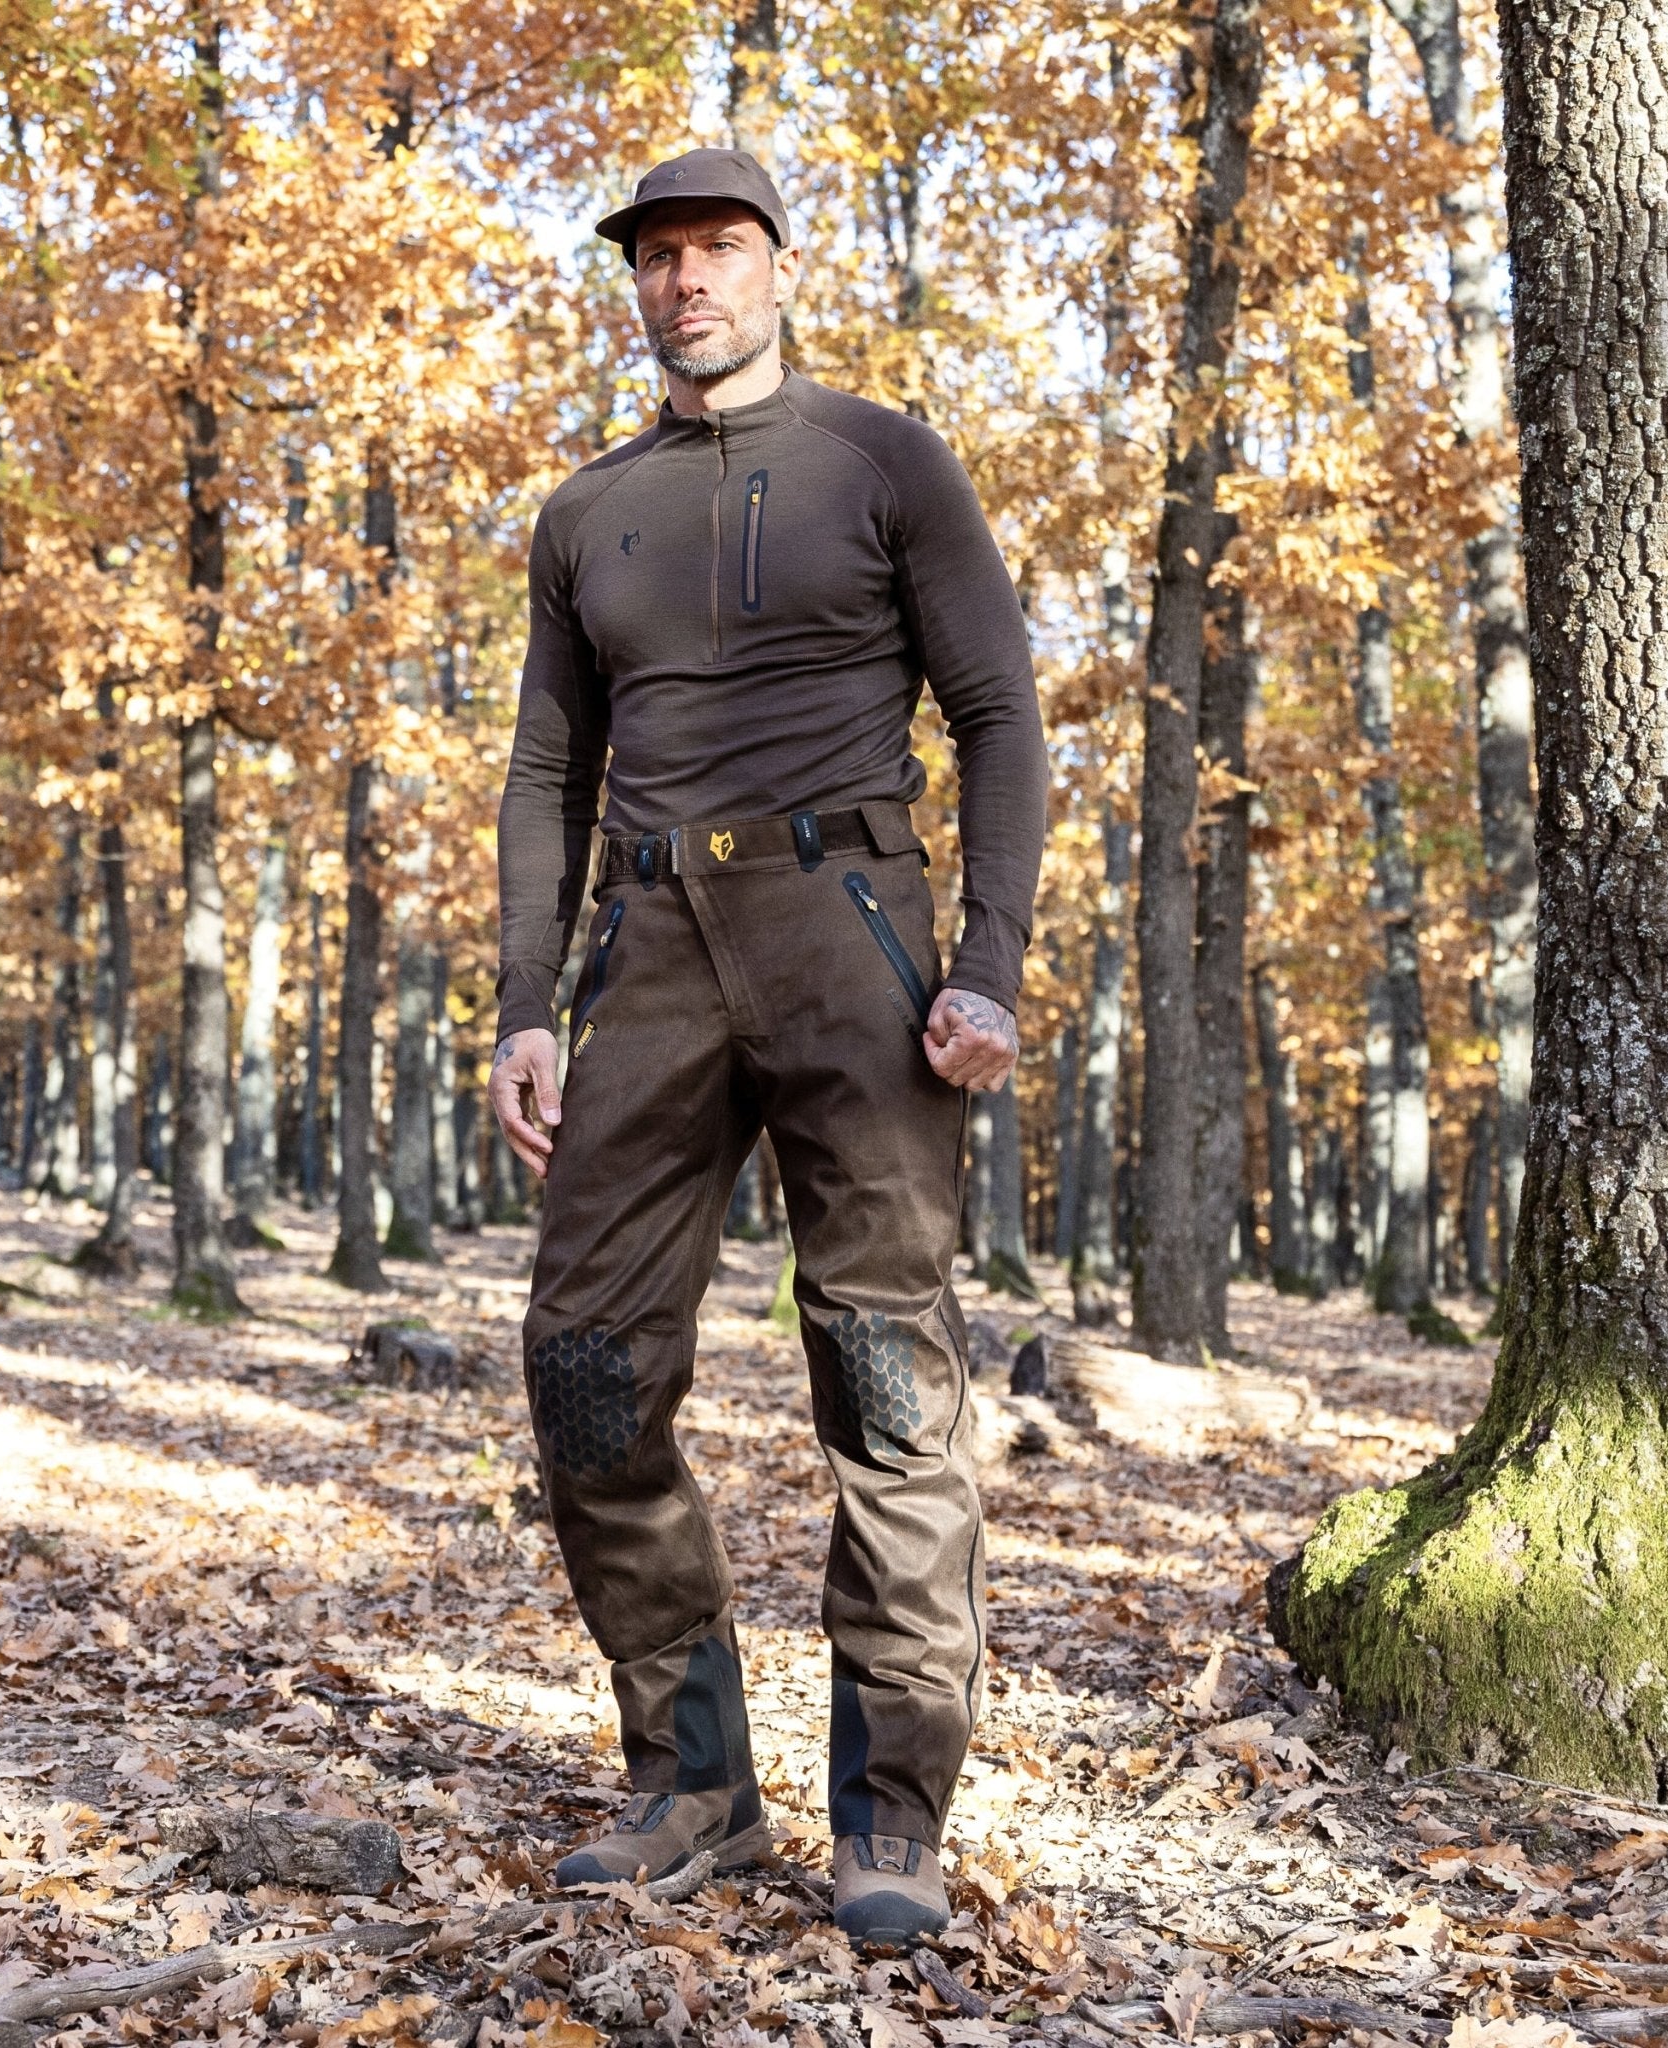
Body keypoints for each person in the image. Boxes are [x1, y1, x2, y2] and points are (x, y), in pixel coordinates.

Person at [488, 146, 1047, 1944]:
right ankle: (692, 1778)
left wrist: (987, 966)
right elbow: (545, 774)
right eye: (656, 258)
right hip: (645, 954)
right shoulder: (586, 514)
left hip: (851, 938)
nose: (685, 283)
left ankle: (892, 1811)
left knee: (885, 1382)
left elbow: (997, 715)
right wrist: (521, 1000)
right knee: (583, 1370)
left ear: (779, 267)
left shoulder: (882, 462)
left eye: (718, 248)